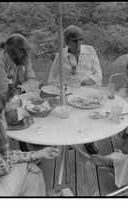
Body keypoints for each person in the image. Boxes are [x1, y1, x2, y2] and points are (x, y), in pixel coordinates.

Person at [0, 88, 60, 196]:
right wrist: (4, 141)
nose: (4, 118)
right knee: (30, 166)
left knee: (32, 177)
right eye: (2, 115)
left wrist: (37, 153)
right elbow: (6, 166)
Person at [48, 25, 102, 155]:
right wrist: (55, 90)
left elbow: (98, 72)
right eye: (74, 40)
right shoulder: (60, 55)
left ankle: (89, 140)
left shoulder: (90, 50)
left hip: (87, 88)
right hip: (68, 89)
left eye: (80, 39)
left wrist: (91, 79)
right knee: (67, 113)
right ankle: (68, 139)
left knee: (87, 113)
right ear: (67, 42)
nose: (78, 43)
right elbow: (53, 77)